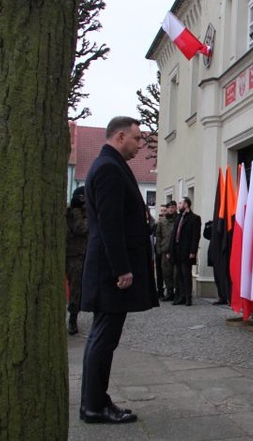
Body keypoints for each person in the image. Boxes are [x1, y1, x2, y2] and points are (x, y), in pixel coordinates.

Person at [80, 116, 159, 424]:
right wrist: (122, 269)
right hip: (111, 273)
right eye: (137, 139)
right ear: (121, 136)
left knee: (102, 338)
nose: (140, 145)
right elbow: (111, 226)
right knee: (103, 338)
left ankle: (95, 401)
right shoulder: (109, 169)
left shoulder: (109, 165)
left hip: (109, 269)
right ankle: (94, 405)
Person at [169, 196, 201, 306]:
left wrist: (193, 251)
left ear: (186, 204)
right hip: (177, 250)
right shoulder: (178, 217)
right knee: (178, 275)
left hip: (186, 251)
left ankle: (188, 297)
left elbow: (195, 237)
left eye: (180, 203)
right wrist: (170, 249)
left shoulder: (194, 218)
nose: (178, 205)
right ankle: (180, 296)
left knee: (186, 274)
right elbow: (173, 235)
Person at [66, 186, 88, 336]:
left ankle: (73, 319)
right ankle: (71, 319)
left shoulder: (80, 212)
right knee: (75, 289)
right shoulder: (73, 213)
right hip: (71, 255)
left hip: (77, 256)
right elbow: (81, 228)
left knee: (76, 290)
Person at [157, 201, 178, 301]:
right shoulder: (162, 221)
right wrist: (159, 249)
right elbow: (158, 235)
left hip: (176, 250)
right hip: (165, 249)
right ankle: (169, 292)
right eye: (169, 207)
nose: (171, 209)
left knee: (176, 273)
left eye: (173, 207)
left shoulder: (178, 220)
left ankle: (178, 292)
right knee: (166, 272)